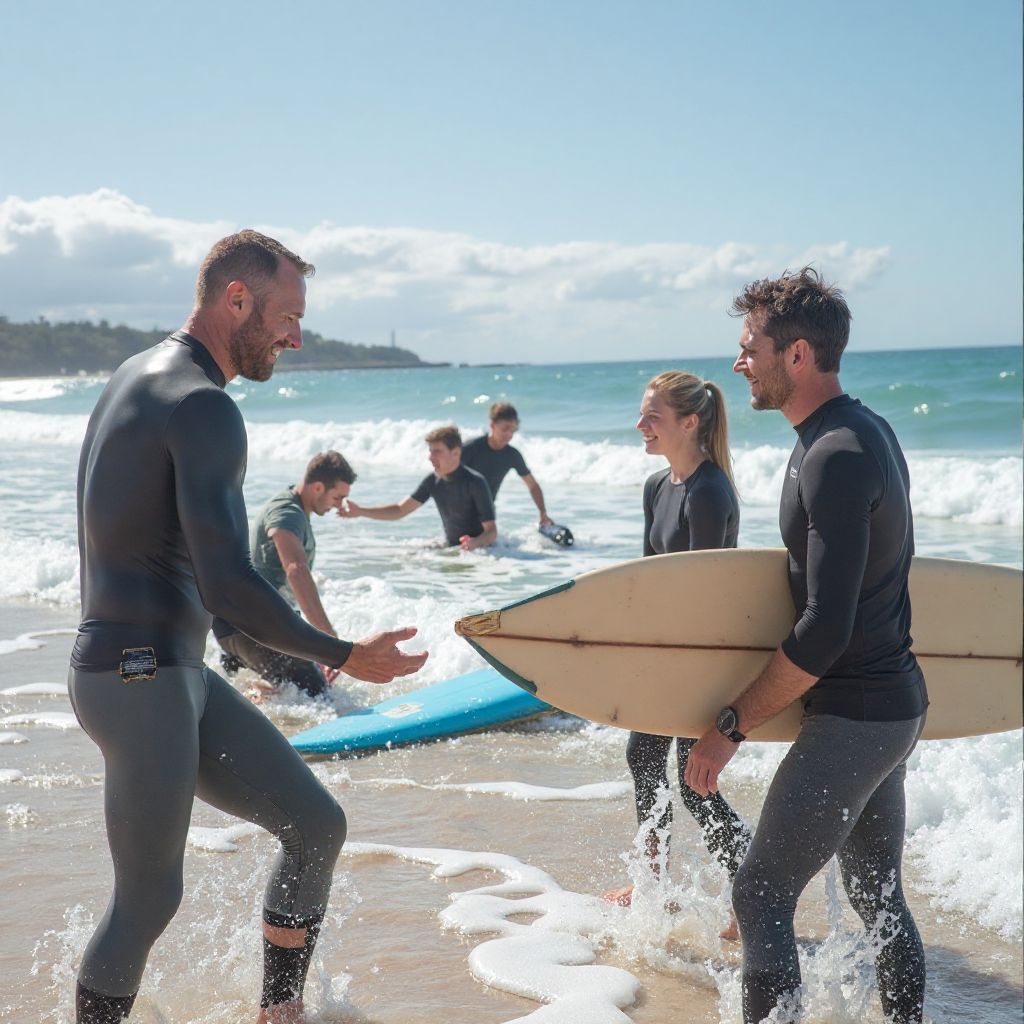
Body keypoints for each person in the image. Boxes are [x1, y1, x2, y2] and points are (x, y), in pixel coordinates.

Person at [69, 229, 428, 1024]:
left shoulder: (137, 374)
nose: (295, 338)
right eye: (287, 318)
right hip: (139, 674)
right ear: (237, 300)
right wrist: (344, 654)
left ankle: (280, 1012)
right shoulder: (204, 406)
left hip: (165, 671)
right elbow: (229, 585)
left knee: (315, 825)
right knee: (149, 896)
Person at [684, 267, 928, 1024]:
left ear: (796, 354)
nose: (738, 363)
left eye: (749, 346)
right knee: (877, 895)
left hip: (855, 715)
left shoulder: (835, 455)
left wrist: (730, 726)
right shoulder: (860, 432)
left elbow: (826, 630)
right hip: (891, 706)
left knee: (760, 892)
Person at [602, 372, 750, 939]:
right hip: (665, 654)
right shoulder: (657, 486)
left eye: (653, 417)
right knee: (643, 757)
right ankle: (652, 881)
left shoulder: (710, 492)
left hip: (700, 660)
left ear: (689, 423)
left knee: (694, 780)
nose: (640, 424)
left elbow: (701, 595)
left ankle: (751, 886)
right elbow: (651, 580)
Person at [214, 450, 357, 699]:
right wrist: (329, 642)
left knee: (294, 696)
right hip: (251, 627)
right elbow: (296, 569)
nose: (338, 505)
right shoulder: (287, 512)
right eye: (337, 497)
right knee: (319, 697)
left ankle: (256, 696)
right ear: (318, 487)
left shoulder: (293, 509)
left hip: (242, 626)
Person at [340, 425, 497, 550]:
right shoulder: (433, 481)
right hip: (454, 549)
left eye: (437, 451)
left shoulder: (475, 482)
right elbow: (400, 510)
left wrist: (474, 543)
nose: (430, 457)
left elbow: (491, 532)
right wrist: (360, 511)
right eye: (430, 451)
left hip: (483, 554)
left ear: (455, 453)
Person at [460, 402, 553, 525]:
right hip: (460, 511)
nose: (509, 435)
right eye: (505, 429)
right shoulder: (470, 448)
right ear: (492, 425)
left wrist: (543, 512)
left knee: (490, 536)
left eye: (513, 430)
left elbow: (532, 484)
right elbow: (445, 475)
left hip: (487, 514)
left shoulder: (512, 455)